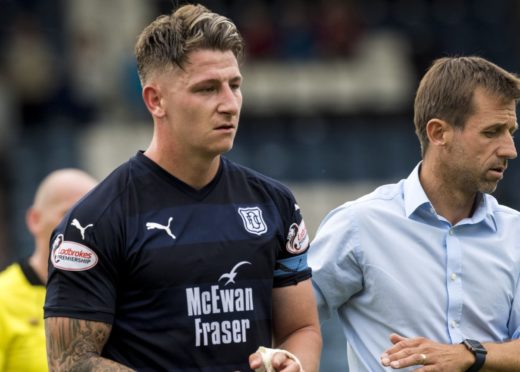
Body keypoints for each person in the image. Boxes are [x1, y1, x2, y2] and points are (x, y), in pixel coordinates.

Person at [44, 4, 321, 372]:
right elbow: (70, 363)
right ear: (155, 100)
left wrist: (294, 362)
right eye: (207, 89)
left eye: (234, 85)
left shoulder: (275, 204)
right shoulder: (94, 221)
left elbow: (301, 328)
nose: (229, 104)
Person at [308, 56, 520, 371]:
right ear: (438, 132)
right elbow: (289, 318)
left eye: (510, 131)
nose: (509, 149)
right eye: (492, 132)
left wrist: (469, 355)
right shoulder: (359, 226)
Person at [0, 168, 97, 371]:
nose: (83, 227)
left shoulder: (113, 294)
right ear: (35, 220)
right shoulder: (4, 298)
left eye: (94, 216)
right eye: (69, 214)